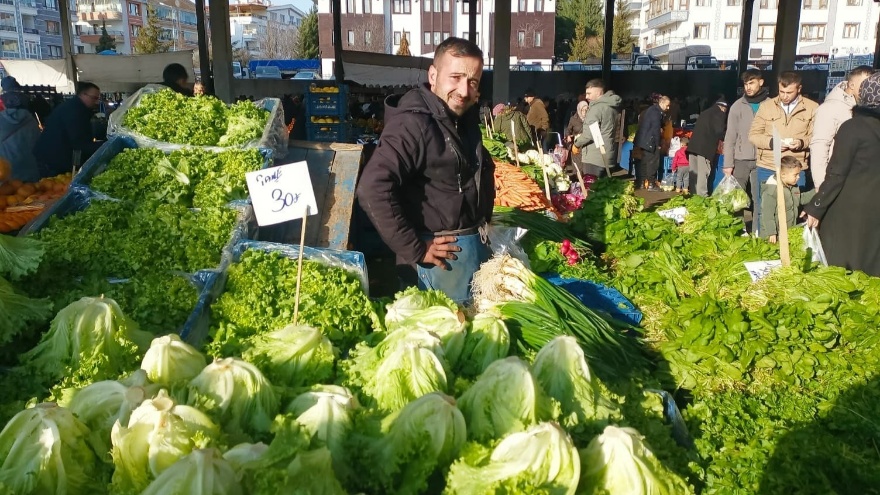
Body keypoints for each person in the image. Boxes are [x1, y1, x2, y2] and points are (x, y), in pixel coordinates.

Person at [356, 37, 494, 304]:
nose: (464, 90)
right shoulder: (413, 124)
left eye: (473, 82)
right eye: (455, 77)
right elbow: (373, 187)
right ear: (433, 75)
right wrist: (415, 247)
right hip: (435, 265)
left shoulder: (459, 118)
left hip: (464, 256)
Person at [804, 72, 880, 276]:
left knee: (842, 272)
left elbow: (837, 173)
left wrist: (816, 206)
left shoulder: (853, 127)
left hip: (849, 210)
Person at [809, 65, 874, 190]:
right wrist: (821, 184)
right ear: (851, 85)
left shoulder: (867, 108)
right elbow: (819, 146)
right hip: (837, 181)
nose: (869, 89)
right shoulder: (830, 108)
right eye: (865, 84)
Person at [33, 82, 103, 178]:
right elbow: (79, 142)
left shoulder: (76, 107)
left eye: (98, 98)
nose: (96, 102)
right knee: (54, 187)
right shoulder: (74, 111)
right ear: (83, 94)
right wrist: (104, 145)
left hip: (55, 157)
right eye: (94, 98)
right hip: (53, 160)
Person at [723, 69, 769, 210]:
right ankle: (739, 229)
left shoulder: (771, 105)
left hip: (763, 159)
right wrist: (728, 163)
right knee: (737, 198)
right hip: (741, 159)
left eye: (752, 83)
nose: (748, 87)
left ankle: (757, 230)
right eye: (746, 84)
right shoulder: (737, 106)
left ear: (760, 83)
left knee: (760, 198)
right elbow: (730, 136)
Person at [573, 79, 623, 177]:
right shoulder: (612, 106)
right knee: (604, 189)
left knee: (592, 188)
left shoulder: (596, 109)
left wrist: (576, 144)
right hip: (608, 155)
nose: (586, 97)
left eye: (589, 93)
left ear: (599, 92)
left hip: (594, 158)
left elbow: (589, 135)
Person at [760, 156, 815, 243]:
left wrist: (816, 192)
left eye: (799, 174)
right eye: (795, 175)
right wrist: (771, 233)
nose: (798, 177)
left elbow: (800, 198)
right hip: (773, 235)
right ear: (783, 175)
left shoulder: (792, 187)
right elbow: (767, 215)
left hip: (787, 231)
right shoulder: (771, 191)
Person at [686, 96, 728, 196]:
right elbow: (719, 131)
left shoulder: (705, 112)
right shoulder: (719, 114)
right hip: (704, 149)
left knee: (693, 172)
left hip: (693, 147)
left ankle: (693, 194)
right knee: (703, 173)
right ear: (723, 107)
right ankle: (702, 196)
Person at [0, 82, 41, 182]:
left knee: (14, 194)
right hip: (32, 170)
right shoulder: (30, 120)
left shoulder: (2, 121)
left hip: (8, 175)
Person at [633, 95, 670, 189]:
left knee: (644, 162)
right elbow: (655, 129)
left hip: (643, 140)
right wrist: (657, 144)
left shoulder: (651, 110)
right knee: (652, 162)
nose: (668, 108)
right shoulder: (656, 112)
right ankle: (651, 184)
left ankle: (642, 183)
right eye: (667, 105)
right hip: (650, 141)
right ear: (661, 103)